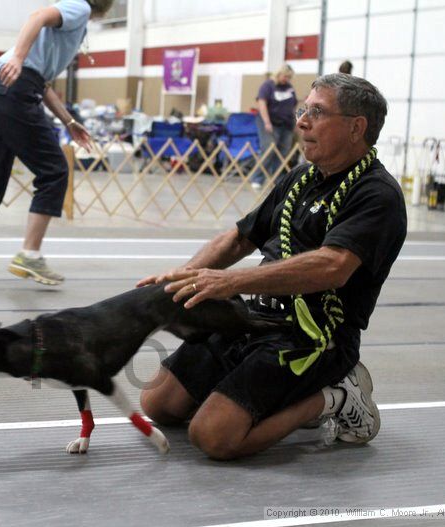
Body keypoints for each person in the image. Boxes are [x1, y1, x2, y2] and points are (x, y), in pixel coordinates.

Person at [138, 73, 407, 460]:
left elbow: (333, 266)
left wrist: (230, 282)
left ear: (355, 127)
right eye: (303, 109)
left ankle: (335, 396)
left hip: (313, 337)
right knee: (157, 403)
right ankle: (259, 396)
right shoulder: (300, 178)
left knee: (213, 437)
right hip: (255, 317)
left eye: (317, 111)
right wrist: (182, 278)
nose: (301, 121)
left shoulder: (377, 195)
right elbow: (239, 237)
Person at [0, 0, 112, 286]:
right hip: (14, 88)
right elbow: (37, 16)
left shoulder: (72, 25)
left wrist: (69, 121)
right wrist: (18, 56)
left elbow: (42, 83)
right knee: (54, 170)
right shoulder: (80, 8)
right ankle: (30, 254)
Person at [251, 64, 297, 190]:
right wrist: (267, 122)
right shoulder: (268, 85)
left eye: (289, 77)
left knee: (283, 152)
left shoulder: (289, 88)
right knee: (269, 149)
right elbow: (262, 103)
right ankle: (257, 179)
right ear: (278, 74)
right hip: (269, 122)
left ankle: (278, 180)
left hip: (286, 124)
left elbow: (292, 106)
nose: (286, 79)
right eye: (285, 76)